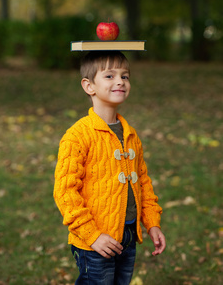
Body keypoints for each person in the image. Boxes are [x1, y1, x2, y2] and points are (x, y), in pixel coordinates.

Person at [53, 51, 166, 285]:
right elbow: (65, 192)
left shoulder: (130, 134)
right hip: (95, 240)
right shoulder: (78, 136)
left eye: (125, 76)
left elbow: (142, 182)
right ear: (89, 86)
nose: (120, 81)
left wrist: (152, 223)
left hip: (128, 236)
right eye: (110, 76)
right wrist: (93, 236)